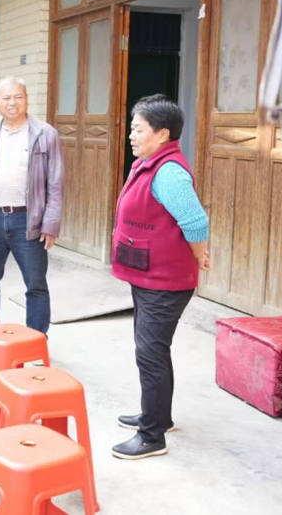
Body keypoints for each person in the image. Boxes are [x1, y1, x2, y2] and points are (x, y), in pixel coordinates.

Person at [110, 94, 210, 460]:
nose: (131, 136)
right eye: (132, 129)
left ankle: (152, 436)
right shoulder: (148, 163)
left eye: (139, 129)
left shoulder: (169, 172)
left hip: (165, 282)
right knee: (153, 350)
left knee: (150, 353)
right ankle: (158, 416)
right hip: (148, 275)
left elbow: (195, 222)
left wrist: (200, 255)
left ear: (163, 134)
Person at [0, 76, 63, 333]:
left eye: (18, 97)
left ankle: (36, 340)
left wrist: (50, 224)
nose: (12, 103)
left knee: (36, 285)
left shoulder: (45, 134)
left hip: (28, 221)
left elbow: (55, 183)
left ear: (27, 99)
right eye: (6, 98)